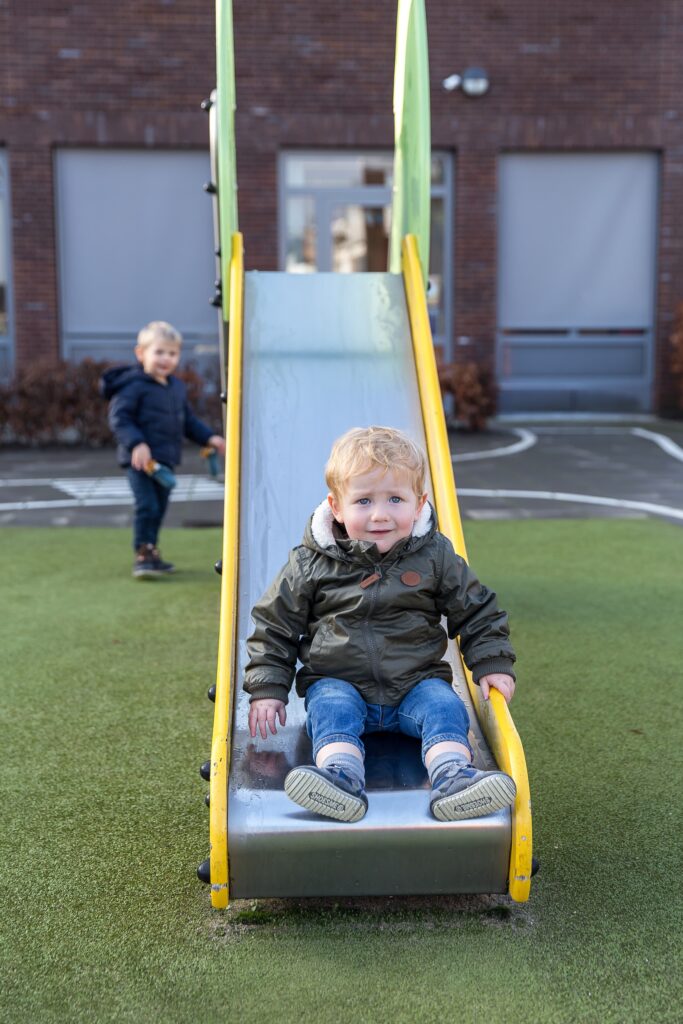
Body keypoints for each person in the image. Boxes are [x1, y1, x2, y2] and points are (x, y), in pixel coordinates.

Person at [244, 425, 517, 824]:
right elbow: (274, 625)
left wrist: (491, 661)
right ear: (336, 507)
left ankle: (453, 778)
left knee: (444, 705)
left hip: (414, 685)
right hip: (340, 680)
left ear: (419, 503)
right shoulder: (310, 562)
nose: (380, 514)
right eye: (364, 501)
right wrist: (268, 687)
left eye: (395, 499)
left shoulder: (435, 556)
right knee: (331, 706)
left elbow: (477, 609)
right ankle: (341, 779)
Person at [100, 321, 225, 578]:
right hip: (141, 461)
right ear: (141, 353)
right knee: (147, 505)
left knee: (159, 507)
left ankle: (152, 551)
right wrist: (137, 443)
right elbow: (120, 418)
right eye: (159, 352)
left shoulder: (175, 388)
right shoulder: (133, 386)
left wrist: (209, 438)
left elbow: (187, 421)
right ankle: (143, 554)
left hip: (165, 460)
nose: (166, 359)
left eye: (172, 353)